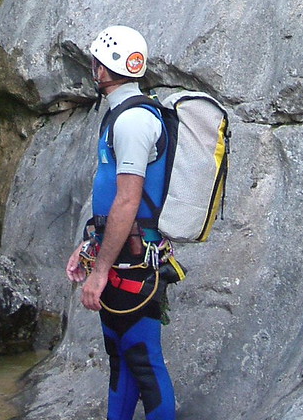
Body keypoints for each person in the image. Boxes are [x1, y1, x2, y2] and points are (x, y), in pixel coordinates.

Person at [66, 25, 176, 420]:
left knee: (143, 361)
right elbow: (110, 196)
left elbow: (128, 200)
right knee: (122, 356)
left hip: (134, 261)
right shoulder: (122, 115)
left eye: (95, 62)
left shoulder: (132, 121)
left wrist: (100, 273)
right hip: (122, 254)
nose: (93, 69)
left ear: (103, 69)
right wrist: (89, 244)